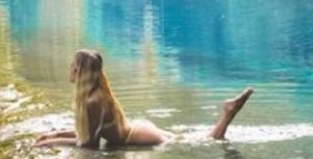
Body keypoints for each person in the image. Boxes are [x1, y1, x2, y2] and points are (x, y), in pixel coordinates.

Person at [35, 48, 255, 148]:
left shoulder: (93, 101)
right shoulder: (96, 95)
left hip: (136, 136)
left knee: (205, 141)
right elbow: (88, 132)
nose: (69, 70)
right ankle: (227, 112)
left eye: (73, 67)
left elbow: (89, 143)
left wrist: (50, 143)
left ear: (81, 72)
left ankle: (228, 112)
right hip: (138, 128)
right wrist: (55, 134)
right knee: (192, 138)